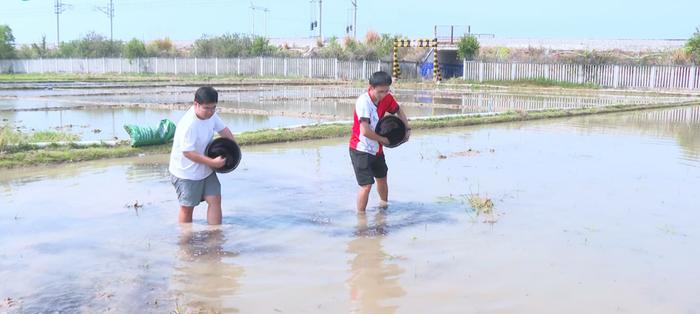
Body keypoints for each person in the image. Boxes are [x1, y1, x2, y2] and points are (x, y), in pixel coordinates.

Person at [169, 86, 235, 225]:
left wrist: (234, 148)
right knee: (187, 208)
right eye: (207, 108)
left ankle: (215, 239)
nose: (210, 112)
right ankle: (185, 242)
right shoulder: (189, 124)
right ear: (196, 104)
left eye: (213, 107)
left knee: (215, 199)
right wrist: (212, 163)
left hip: (206, 168)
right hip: (186, 172)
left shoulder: (211, 115)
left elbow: (224, 130)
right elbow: (188, 153)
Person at [349, 71, 410, 212]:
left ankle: (384, 207)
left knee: (382, 177)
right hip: (361, 149)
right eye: (380, 91)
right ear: (371, 87)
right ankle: (361, 218)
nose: (384, 95)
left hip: (376, 148)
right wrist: (383, 139)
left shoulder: (387, 98)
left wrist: (407, 129)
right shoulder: (363, 102)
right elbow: (364, 130)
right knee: (366, 185)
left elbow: (398, 110)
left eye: (387, 91)